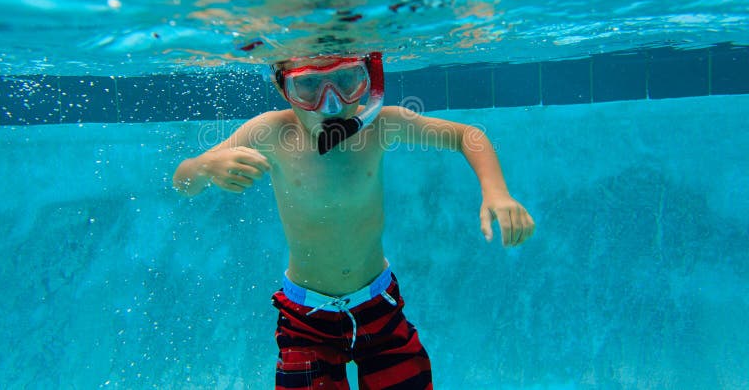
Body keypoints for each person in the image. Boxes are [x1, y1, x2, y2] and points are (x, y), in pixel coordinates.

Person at [173, 52, 535, 389]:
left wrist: (496, 191)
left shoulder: (380, 125)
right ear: (283, 88)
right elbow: (182, 180)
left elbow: (467, 135)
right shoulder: (270, 132)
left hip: (379, 309)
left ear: (370, 80)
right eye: (309, 86)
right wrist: (204, 168)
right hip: (305, 319)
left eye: (346, 81)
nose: (330, 103)